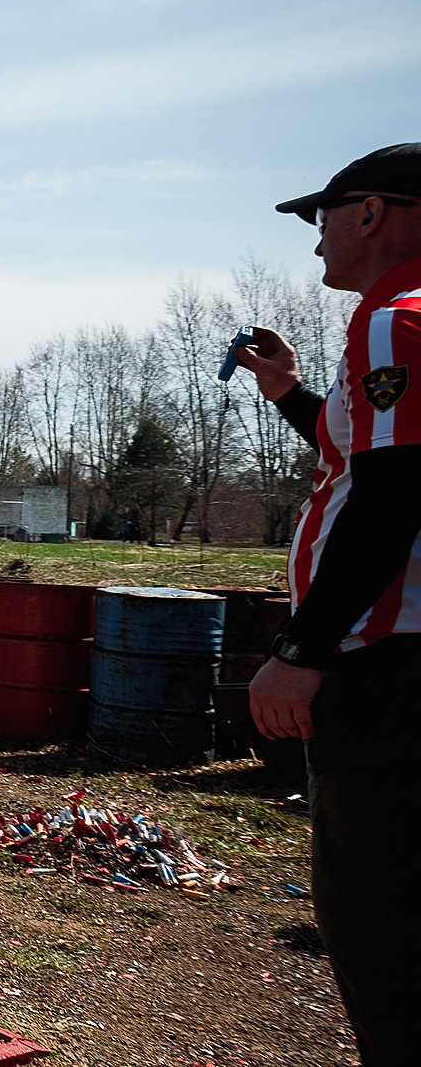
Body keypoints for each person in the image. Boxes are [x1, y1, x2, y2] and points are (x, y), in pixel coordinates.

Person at [234, 142, 421, 1067]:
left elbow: (390, 494)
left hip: (387, 667)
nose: (316, 241)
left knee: (381, 933)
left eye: (324, 217)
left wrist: (300, 649)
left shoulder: (394, 319)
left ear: (373, 212)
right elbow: (363, 443)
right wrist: (286, 389)